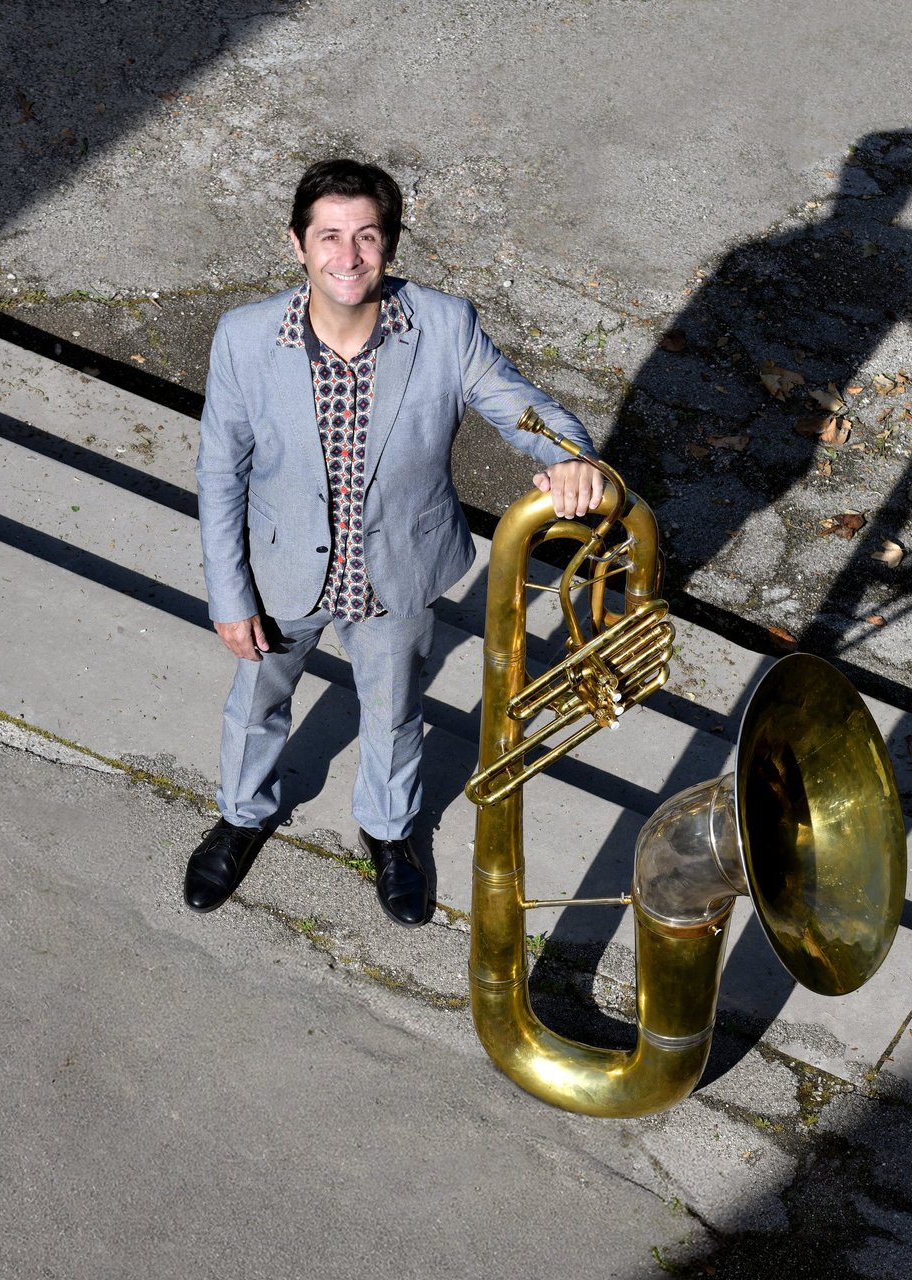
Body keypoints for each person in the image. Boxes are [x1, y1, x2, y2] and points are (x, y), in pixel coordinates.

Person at [187, 157, 603, 925]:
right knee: (256, 707)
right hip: (280, 573)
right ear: (296, 244)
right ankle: (243, 816)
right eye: (330, 237)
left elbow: (527, 412)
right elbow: (220, 476)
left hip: (397, 572)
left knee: (394, 713)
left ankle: (388, 833)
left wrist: (571, 459)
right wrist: (229, 593)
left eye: (366, 237)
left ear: (391, 245)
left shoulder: (446, 326)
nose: (348, 257)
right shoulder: (244, 339)